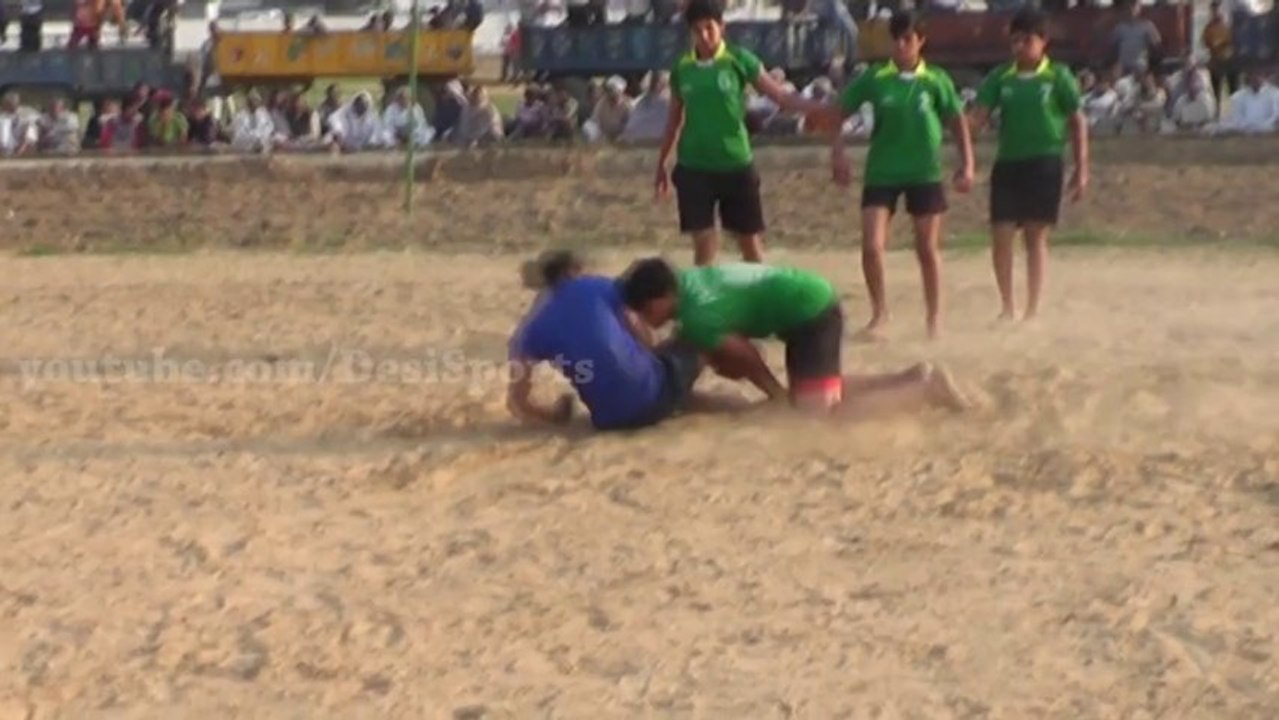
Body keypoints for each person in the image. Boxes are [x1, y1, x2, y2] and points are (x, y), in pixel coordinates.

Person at [620, 258, 970, 416]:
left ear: (661, 298)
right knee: (814, 390)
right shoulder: (691, 284)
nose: (649, 320)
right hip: (805, 302)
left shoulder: (696, 316)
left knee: (814, 413)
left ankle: (924, 390)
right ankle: (912, 377)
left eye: (645, 310)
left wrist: (773, 393)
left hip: (810, 313)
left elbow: (746, 355)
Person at [814, 11, 974, 341]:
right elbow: (838, 114)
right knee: (872, 246)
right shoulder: (875, 78)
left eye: (908, 39)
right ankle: (880, 313)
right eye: (896, 39)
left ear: (920, 41)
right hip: (882, 172)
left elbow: (957, 123)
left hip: (924, 172)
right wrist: (838, 153)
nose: (901, 46)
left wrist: (967, 163)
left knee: (926, 249)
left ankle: (934, 318)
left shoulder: (936, 80)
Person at [656, 0, 824, 266]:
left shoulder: (738, 59)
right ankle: (706, 302)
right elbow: (674, 120)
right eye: (697, 30)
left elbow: (779, 96)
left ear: (721, 27)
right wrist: (663, 162)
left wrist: (816, 109)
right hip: (694, 165)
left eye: (709, 28)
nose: (704, 35)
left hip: (735, 163)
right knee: (704, 242)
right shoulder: (682, 68)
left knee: (749, 243)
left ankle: (763, 302)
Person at [969, 8, 1088, 322]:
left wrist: (1081, 167)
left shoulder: (1057, 76)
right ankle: (1008, 305)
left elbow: (1077, 122)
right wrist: (958, 129)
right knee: (1001, 234)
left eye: (1026, 40)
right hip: (1008, 162)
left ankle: (1033, 307)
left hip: (1044, 162)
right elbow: (978, 117)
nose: (1019, 47)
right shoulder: (1000, 77)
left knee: (1035, 236)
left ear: (1043, 41)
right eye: (1015, 41)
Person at [506, 251, 710, 431]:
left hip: (609, 420)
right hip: (650, 394)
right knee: (697, 343)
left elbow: (518, 403)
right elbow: (642, 333)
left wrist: (554, 415)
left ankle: (683, 399)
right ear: (573, 271)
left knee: (669, 392)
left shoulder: (527, 332)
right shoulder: (597, 285)